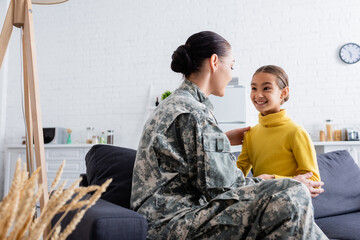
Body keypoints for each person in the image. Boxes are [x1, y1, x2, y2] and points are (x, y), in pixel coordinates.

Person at [130, 31, 327, 239]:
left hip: (162, 219)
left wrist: (221, 140)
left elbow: (188, 162)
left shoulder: (176, 105)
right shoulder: (194, 113)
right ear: (215, 62)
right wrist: (290, 183)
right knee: (292, 193)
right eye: (231, 66)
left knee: (290, 201)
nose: (231, 75)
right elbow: (226, 189)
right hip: (174, 223)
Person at [237, 65, 323, 197]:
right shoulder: (250, 134)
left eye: (266, 88)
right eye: (254, 88)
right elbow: (236, 176)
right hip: (260, 205)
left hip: (291, 207)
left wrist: (271, 180)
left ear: (284, 93)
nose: (258, 95)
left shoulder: (295, 132)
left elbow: (313, 181)